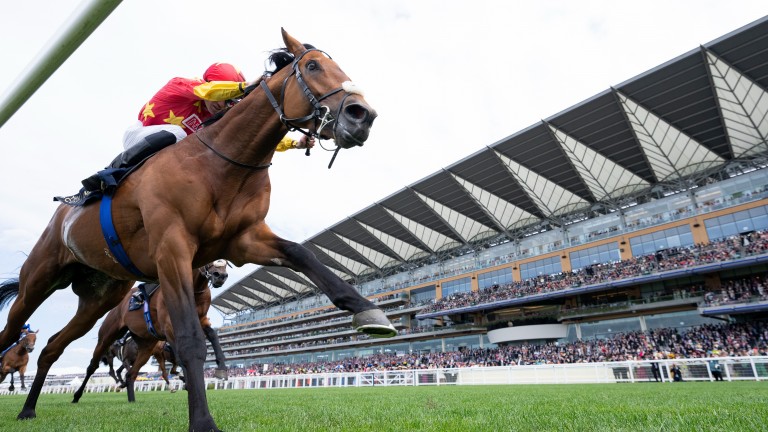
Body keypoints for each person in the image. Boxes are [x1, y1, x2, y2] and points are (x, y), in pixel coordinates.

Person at [120, 62, 314, 164]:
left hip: (167, 159)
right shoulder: (180, 85)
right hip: (138, 138)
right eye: (225, 96)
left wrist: (295, 143)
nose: (223, 105)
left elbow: (247, 134)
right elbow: (209, 91)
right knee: (178, 135)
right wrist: (246, 87)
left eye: (230, 101)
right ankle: (114, 170)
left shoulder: (216, 116)